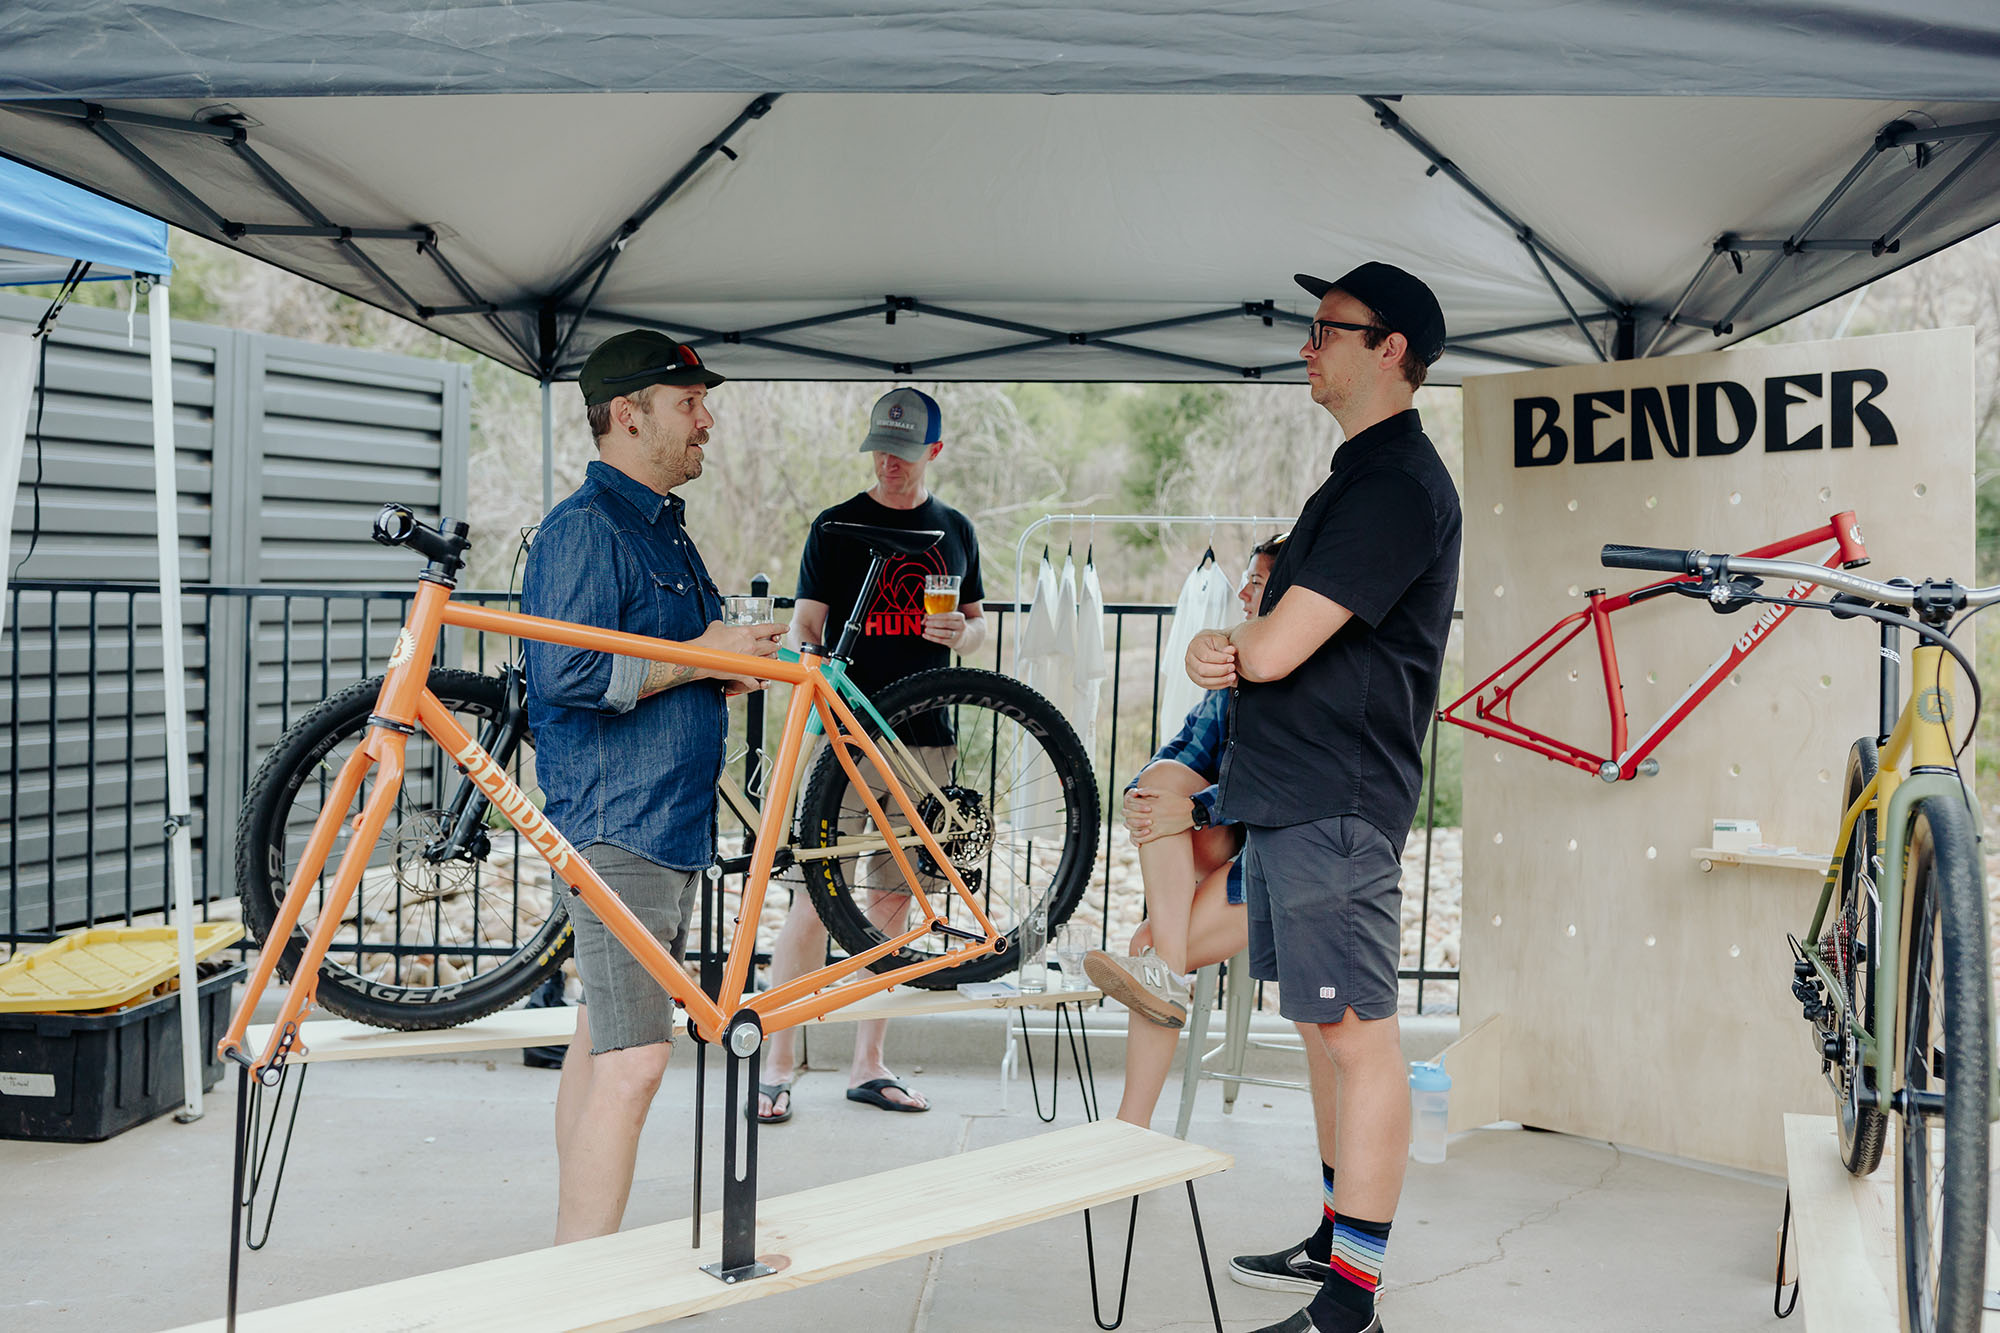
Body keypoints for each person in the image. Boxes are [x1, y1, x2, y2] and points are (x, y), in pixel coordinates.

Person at [1188, 264, 1460, 1333]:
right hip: (1297, 791)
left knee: (1356, 1035)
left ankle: (1349, 1304)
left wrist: (1233, 643)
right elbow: (1287, 608)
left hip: (1333, 795)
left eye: (1325, 330)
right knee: (1319, 1029)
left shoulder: (1395, 482)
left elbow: (1281, 641)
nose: (1306, 346)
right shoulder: (1358, 476)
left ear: (1387, 348)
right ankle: (1334, 1231)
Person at [520, 330, 784, 1244]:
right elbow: (566, 673)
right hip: (617, 825)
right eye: (688, 403)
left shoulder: (657, 524)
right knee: (636, 1060)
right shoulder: (584, 530)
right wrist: (698, 657)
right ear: (628, 416)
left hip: (657, 825)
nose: (706, 419)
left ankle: (568, 1264)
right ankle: (579, 1291)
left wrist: (718, 666)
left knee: (604, 1039)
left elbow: (655, 660)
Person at [755, 387, 988, 1123]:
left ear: (935, 454)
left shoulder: (953, 530)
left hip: (927, 739)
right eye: (881, 450)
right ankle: (778, 1062)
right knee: (814, 898)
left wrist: (966, 638)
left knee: (895, 900)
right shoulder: (836, 526)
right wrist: (806, 661)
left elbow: (978, 621)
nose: (891, 465)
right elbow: (806, 627)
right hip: (842, 738)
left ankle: (869, 1062)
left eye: (907, 453)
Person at [1083, 535, 1284, 1128]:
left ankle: (1130, 1130)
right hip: (1219, 845)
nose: (1242, 592)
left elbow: (1275, 788)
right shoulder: (1235, 668)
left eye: (1258, 582)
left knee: (1148, 949)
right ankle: (1170, 972)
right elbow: (1183, 750)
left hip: (1272, 862)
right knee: (1162, 778)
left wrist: (1193, 813)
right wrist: (1142, 796)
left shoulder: (1303, 675)